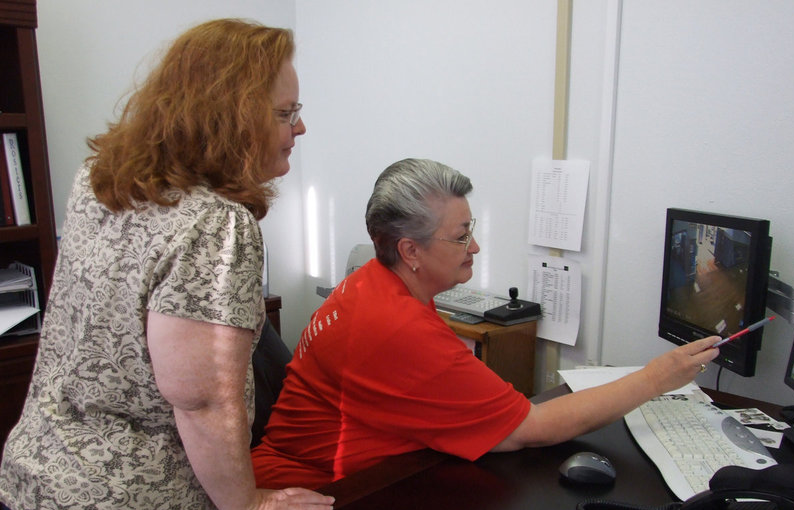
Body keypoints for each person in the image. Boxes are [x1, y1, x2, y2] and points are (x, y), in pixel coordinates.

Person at [0, 19, 333, 510]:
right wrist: (249, 507)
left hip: (37, 472)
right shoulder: (215, 224)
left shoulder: (104, 178)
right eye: (284, 113)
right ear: (228, 116)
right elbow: (203, 400)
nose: (300, 127)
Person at [250, 157, 720, 490]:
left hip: (315, 473)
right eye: (460, 237)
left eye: (471, 230)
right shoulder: (396, 327)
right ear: (410, 251)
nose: (474, 248)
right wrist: (658, 377)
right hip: (321, 501)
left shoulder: (370, 282)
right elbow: (530, 426)